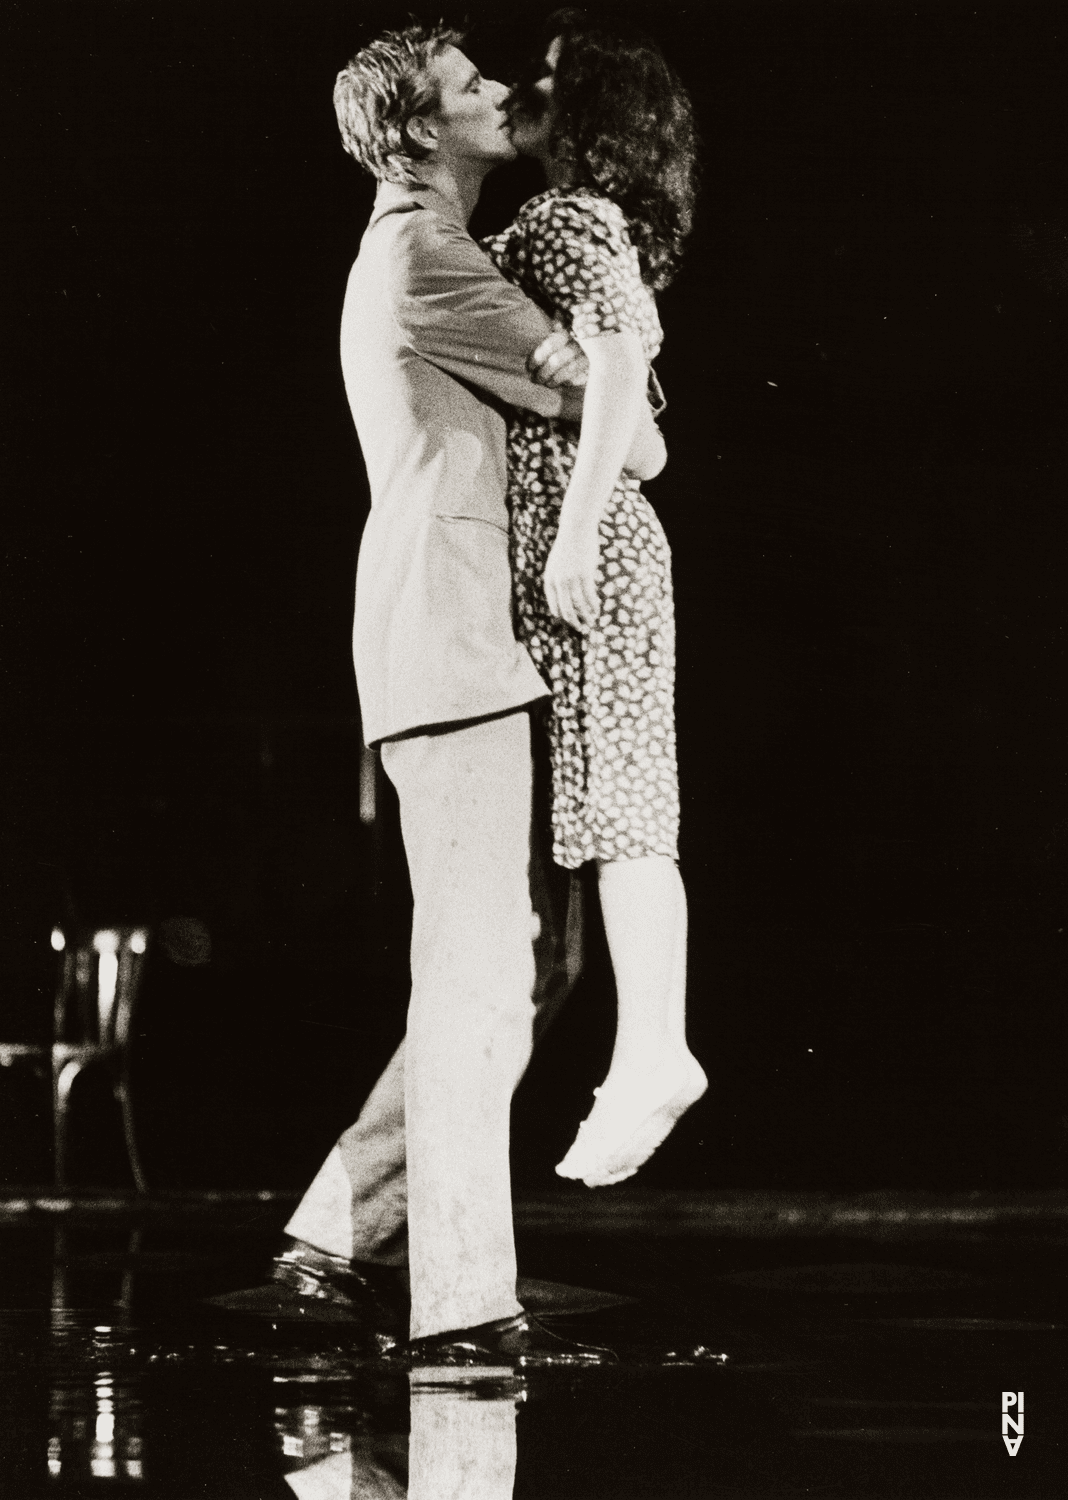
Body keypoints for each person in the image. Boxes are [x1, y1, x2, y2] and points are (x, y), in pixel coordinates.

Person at [251, 23, 665, 1366]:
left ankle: (332, 1233)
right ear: (421, 131)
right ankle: (463, 1307)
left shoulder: (427, 254)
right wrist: (616, 372)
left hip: (457, 642)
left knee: (521, 974)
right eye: (472, 88)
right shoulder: (428, 257)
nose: (500, 96)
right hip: (452, 640)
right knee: (483, 977)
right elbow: (628, 418)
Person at [480, 12, 708, 1189]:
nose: (527, 84)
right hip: (602, 540)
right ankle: (646, 1051)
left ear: (592, 117)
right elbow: (647, 428)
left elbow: (625, 377)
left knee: (620, 811)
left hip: (596, 551)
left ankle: (655, 1050)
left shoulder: (568, 216)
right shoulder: (578, 224)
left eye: (554, 78)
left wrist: (571, 538)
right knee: (610, 806)